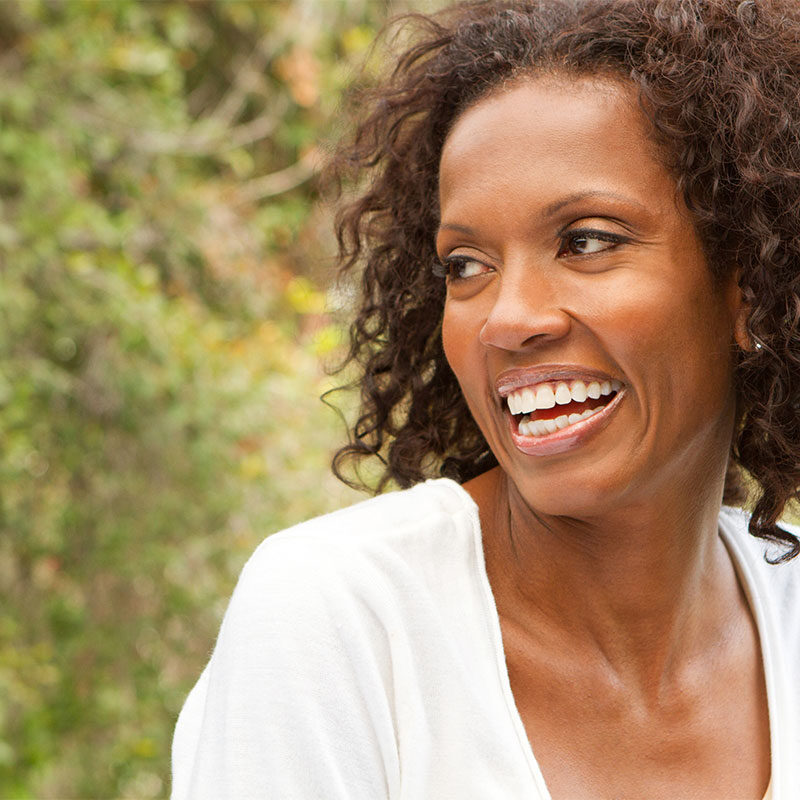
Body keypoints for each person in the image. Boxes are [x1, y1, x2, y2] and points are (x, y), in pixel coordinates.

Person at [171, 1, 800, 797]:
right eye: (465, 264)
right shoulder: (341, 619)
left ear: (751, 286)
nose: (506, 320)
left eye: (588, 241)